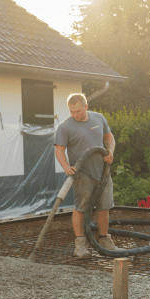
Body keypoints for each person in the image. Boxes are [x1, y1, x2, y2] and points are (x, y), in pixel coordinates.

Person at [54, 93, 125, 259]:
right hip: (82, 173)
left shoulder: (98, 118)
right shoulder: (65, 127)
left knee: (104, 207)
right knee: (81, 207)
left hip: (103, 172)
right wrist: (66, 167)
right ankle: (80, 245)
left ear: (85, 107)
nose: (75, 115)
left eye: (78, 111)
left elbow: (109, 137)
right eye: (72, 112)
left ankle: (105, 241)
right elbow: (59, 149)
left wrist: (110, 152)